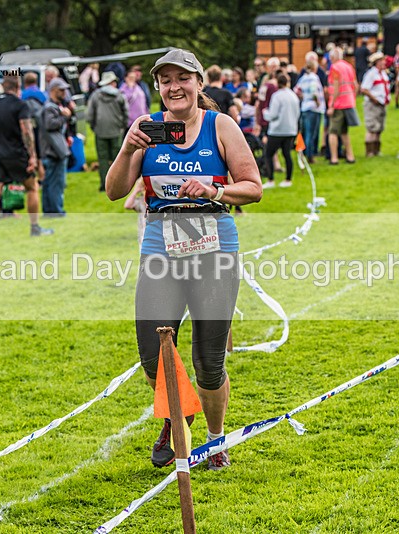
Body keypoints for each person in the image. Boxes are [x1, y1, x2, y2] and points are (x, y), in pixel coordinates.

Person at [105, 48, 262, 471]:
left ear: (198, 83)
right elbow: (115, 191)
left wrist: (214, 191)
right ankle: (179, 414)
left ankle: (214, 441)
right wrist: (126, 149)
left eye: (182, 78)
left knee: (208, 363)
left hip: (214, 253)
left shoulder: (221, 126)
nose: (174, 87)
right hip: (161, 252)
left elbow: (253, 186)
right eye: (165, 80)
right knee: (152, 354)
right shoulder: (148, 129)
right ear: (158, 87)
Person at [0, 75, 53, 241]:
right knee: (32, 188)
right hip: (15, 154)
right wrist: (33, 156)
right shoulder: (20, 105)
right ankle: (35, 227)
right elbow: (26, 131)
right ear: (18, 87)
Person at [87, 71, 129, 192]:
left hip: (100, 131)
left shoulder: (95, 95)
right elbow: (126, 112)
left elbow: (90, 114)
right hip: (116, 130)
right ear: (111, 83)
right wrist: (122, 125)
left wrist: (93, 126)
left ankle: (104, 185)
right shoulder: (119, 95)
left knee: (103, 159)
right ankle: (119, 185)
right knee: (118, 158)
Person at [39, 78, 72, 217]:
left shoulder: (50, 106)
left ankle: (49, 211)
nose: (65, 93)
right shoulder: (49, 107)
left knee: (48, 184)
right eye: (62, 90)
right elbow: (50, 125)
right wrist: (65, 117)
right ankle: (57, 212)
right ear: (53, 90)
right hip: (54, 151)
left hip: (49, 150)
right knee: (56, 184)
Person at [262, 73, 299, 187]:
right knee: (287, 154)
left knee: (269, 154)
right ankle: (288, 179)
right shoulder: (294, 95)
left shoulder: (277, 96)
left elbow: (273, 114)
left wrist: (265, 113)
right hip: (291, 129)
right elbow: (297, 113)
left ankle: (270, 180)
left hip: (277, 130)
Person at [326, 46, 358, 164]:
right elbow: (355, 85)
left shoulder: (335, 68)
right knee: (344, 131)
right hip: (349, 102)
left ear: (333, 57)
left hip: (339, 103)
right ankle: (350, 156)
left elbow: (336, 87)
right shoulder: (349, 66)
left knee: (333, 131)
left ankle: (334, 158)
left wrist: (332, 105)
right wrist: (353, 98)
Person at [294, 52, 326, 164]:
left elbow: (296, 90)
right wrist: (317, 102)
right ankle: (310, 156)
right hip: (313, 108)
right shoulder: (314, 78)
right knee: (311, 133)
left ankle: (302, 153)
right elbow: (314, 92)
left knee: (305, 132)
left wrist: (302, 97)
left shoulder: (303, 78)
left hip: (304, 107)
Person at [360, 52, 391, 157]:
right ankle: (369, 152)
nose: (384, 62)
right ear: (376, 62)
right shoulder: (371, 74)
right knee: (372, 128)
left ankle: (376, 150)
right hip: (373, 104)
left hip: (382, 104)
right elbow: (364, 89)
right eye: (382, 60)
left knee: (379, 128)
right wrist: (374, 99)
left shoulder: (383, 73)